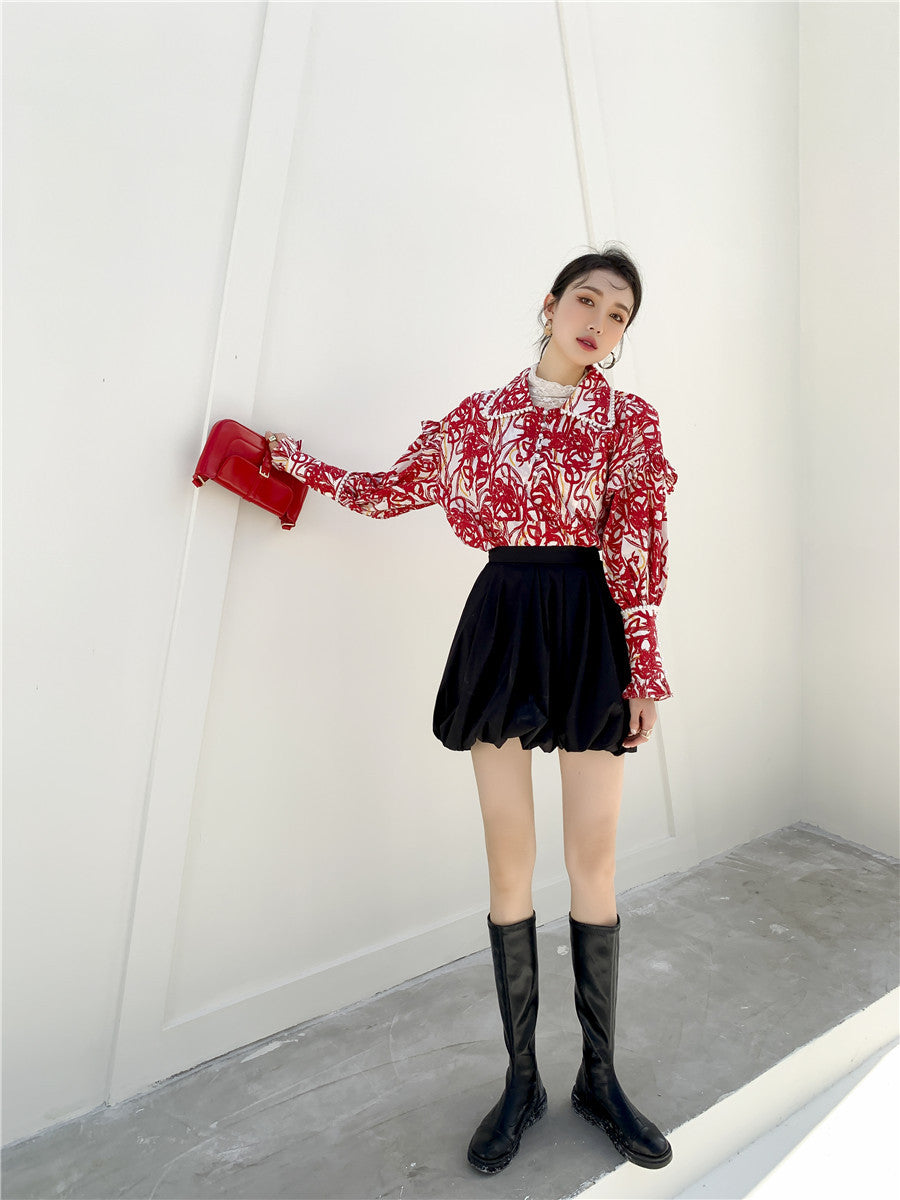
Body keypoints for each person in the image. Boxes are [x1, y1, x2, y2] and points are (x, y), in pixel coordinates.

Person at [265, 245, 676, 1176]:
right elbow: (387, 493)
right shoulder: (477, 420)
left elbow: (640, 544)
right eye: (587, 300)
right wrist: (290, 461)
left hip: (591, 626)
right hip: (503, 623)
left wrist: (644, 669)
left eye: (618, 315)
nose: (599, 322)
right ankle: (522, 1080)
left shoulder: (630, 423)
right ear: (550, 304)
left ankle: (599, 1078)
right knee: (508, 859)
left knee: (595, 859)